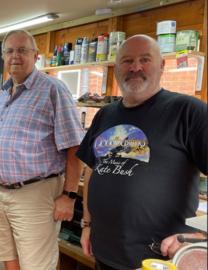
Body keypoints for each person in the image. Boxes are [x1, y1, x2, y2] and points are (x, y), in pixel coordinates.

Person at [77, 34, 208, 270]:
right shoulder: (105, 115)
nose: (135, 67)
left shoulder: (189, 112)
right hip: (105, 252)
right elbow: (91, 171)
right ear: (117, 68)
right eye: (127, 61)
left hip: (160, 260)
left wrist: (200, 238)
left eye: (145, 59)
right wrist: (87, 224)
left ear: (161, 66)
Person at [0, 29, 84, 270]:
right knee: (5, 256)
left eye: (22, 50)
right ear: (3, 57)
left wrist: (69, 196)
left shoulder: (53, 90)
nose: (15, 56)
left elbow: (74, 146)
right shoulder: (2, 93)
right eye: (9, 51)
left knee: (36, 264)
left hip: (34, 194)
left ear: (36, 55)